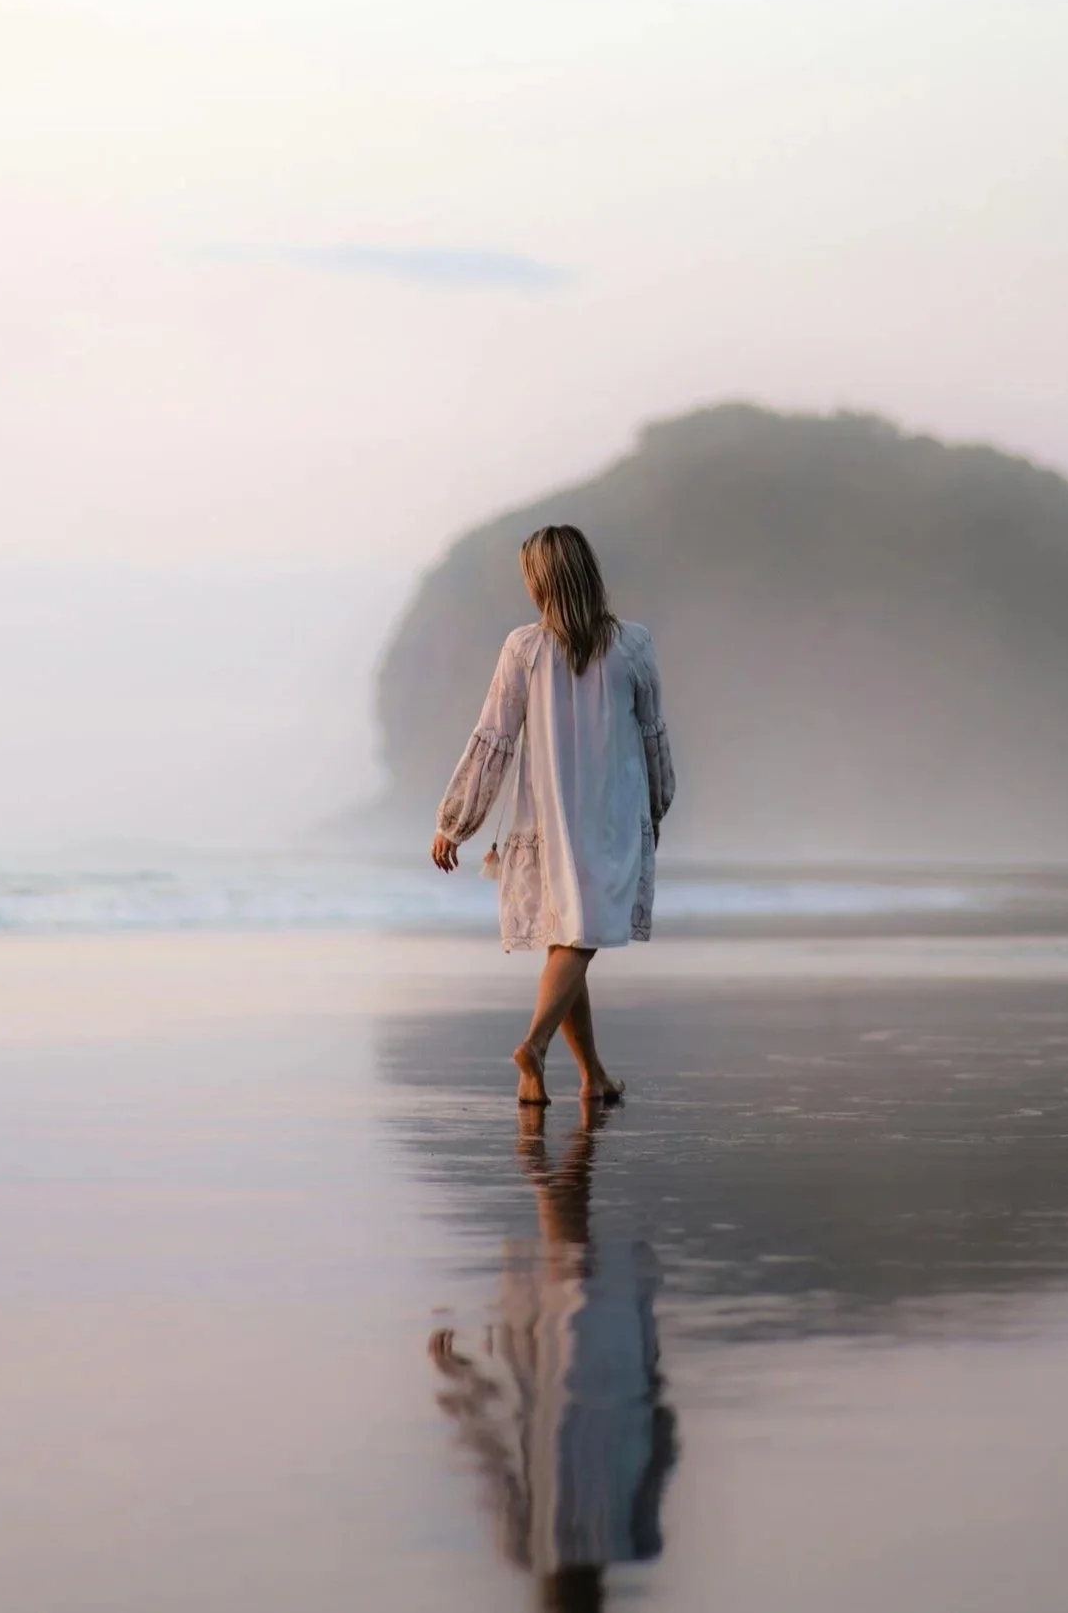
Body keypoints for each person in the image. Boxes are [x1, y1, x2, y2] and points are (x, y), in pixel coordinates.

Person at [431, 524, 675, 1106]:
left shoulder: (525, 648)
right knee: (579, 939)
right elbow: (653, 738)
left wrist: (455, 822)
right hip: (610, 817)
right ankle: (534, 1046)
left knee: (569, 937)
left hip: (546, 816)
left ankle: (592, 1076)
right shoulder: (633, 645)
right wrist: (658, 805)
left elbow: (493, 738)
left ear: (542, 583)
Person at [427, 1100, 676, 1610]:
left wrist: (652, 1368)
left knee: (571, 1230)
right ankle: (563, 1101)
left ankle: (573, 1094)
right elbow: (491, 1456)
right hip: (565, 1361)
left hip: (614, 1358)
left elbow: (663, 1442)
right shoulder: (526, 1548)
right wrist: (457, 1381)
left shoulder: (640, 1540)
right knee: (566, 1229)